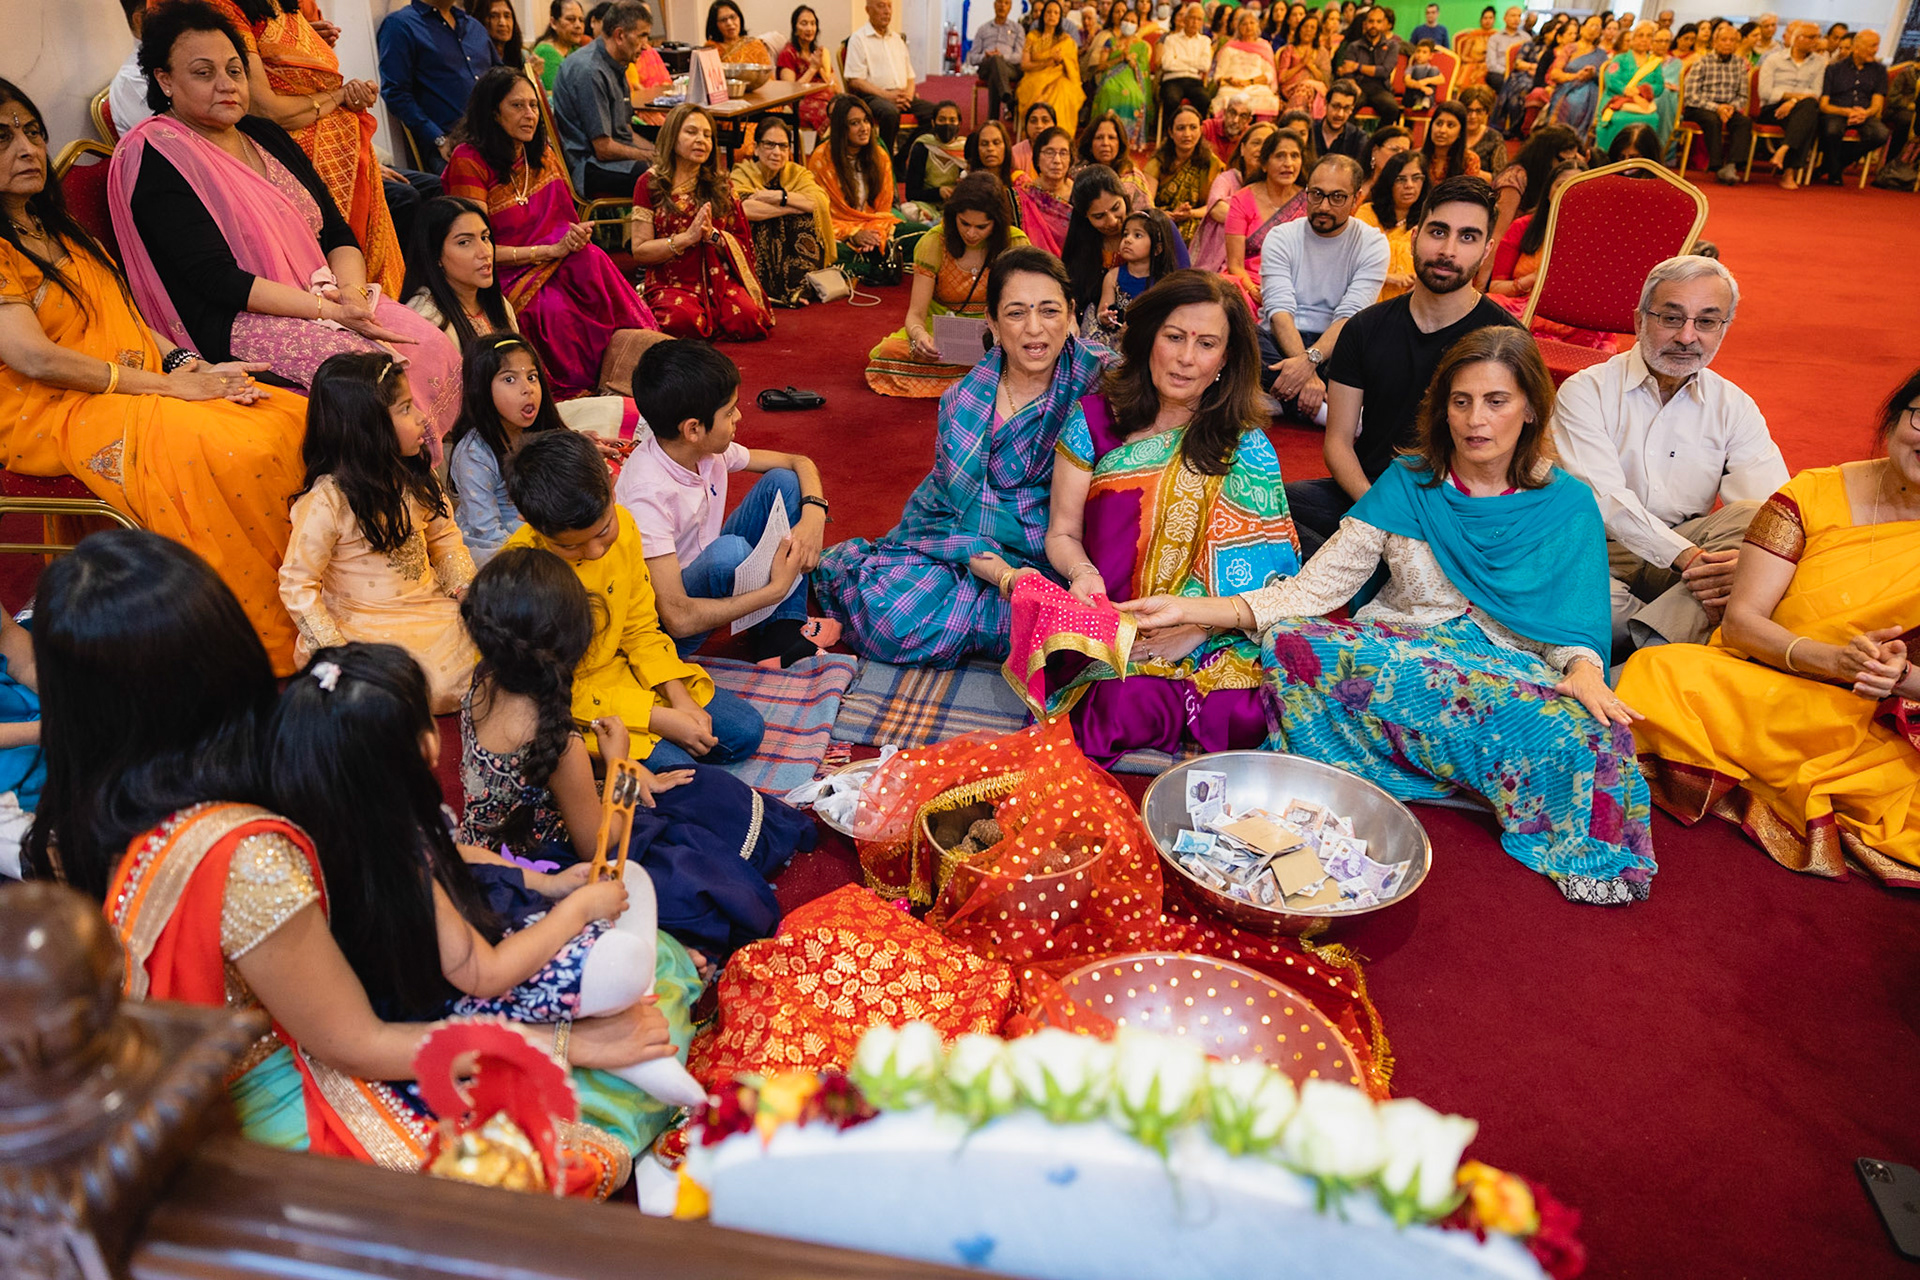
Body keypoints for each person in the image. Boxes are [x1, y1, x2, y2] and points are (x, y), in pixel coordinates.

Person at [30, 529, 671, 1192]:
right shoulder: (247, 853)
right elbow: (355, 1041)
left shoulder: (88, 816)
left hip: (315, 1012)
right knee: (577, 1128)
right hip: (278, 1090)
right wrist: (565, 1046)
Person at [1126, 326, 1656, 903]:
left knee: (1595, 733)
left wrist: (1584, 670)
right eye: (1461, 401)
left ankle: (1443, 757)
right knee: (1292, 642)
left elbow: (1572, 628)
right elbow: (1313, 589)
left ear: (1530, 409)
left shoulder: (1566, 502)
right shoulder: (1410, 481)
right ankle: (1463, 759)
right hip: (1403, 654)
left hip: (1503, 671)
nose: (1475, 420)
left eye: (1496, 401)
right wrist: (1190, 609)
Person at [268, 640, 709, 1111]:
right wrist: (577, 910)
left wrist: (548, 884)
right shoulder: (399, 866)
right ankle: (619, 1022)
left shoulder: (355, 824)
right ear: (424, 745)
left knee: (629, 888)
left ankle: (620, 1005)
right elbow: (487, 975)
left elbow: (456, 853)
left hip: (460, 948)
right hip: (451, 999)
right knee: (623, 959)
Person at [0, 81, 307, 674]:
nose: (28, 148)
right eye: (3, 138)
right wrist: (172, 388)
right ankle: (249, 633)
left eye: (33, 132)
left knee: (285, 414)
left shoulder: (59, 228)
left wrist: (190, 365)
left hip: (134, 382)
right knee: (231, 448)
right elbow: (34, 359)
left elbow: (130, 322)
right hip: (53, 406)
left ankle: (316, 601)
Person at [1619, 371, 1920, 887]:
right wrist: (1831, 659)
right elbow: (1742, 624)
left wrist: (1900, 677)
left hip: (1869, 717)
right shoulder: (1814, 494)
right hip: (1763, 677)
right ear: (1894, 419)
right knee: (1658, 672)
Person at [111, 4, 461, 441]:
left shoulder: (262, 133)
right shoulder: (157, 154)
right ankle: (388, 476)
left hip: (325, 296)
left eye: (235, 70)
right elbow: (216, 279)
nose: (226, 84)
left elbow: (336, 231)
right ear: (165, 80)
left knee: (431, 344)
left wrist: (353, 296)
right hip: (235, 320)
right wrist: (330, 312)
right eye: (203, 73)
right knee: (373, 377)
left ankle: (423, 464)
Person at [458, 550, 813, 960]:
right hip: (543, 865)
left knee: (688, 786)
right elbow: (600, 848)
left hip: (487, 844)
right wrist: (621, 767)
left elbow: (535, 782)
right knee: (695, 833)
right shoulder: (558, 743)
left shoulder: (483, 684)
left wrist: (620, 769)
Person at [1023, 270, 1299, 765]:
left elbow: (1271, 575)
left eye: (1206, 344)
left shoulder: (1245, 443)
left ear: (1226, 358)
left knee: (1249, 713)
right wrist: (1083, 574)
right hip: (1114, 618)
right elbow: (1062, 531)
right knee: (1113, 706)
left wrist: (1196, 627)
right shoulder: (1093, 420)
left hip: (1213, 628)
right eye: (1174, 337)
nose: (1186, 358)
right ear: (1150, 337)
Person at [818, 249, 1108, 666]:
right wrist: (1006, 577)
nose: (1034, 329)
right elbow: (947, 513)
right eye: (1016, 313)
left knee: (1076, 625)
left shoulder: (1100, 378)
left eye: (1049, 311)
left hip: (1063, 546)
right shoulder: (964, 402)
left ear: (1072, 314)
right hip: (963, 544)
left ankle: (1000, 621)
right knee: (893, 624)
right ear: (992, 322)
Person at [1554, 257, 1786, 656]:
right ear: (1639, 320)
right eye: (1671, 318)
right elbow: (1604, 499)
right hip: (1598, 550)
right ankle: (1686, 638)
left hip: (1689, 553)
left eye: (1707, 321)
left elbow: (1775, 507)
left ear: (1724, 328)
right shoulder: (1586, 391)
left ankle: (1650, 650)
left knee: (1759, 521)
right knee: (1592, 610)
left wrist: (1744, 564)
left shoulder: (1734, 406)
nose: (1687, 337)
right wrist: (1691, 560)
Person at [502, 429, 765, 769]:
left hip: (627, 674)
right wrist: (656, 718)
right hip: (567, 702)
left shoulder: (625, 525)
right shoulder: (521, 575)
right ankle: (592, 766)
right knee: (682, 770)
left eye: (603, 531)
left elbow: (640, 628)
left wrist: (679, 697)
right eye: (570, 546)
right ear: (529, 521)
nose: (595, 552)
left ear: (612, 486)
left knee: (746, 732)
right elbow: (547, 690)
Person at [1287, 173, 1517, 556]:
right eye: (1438, 232)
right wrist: (1380, 516)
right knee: (1270, 507)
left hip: (1458, 509)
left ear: (1486, 249)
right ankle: (1372, 561)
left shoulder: (1505, 340)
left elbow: (1506, 462)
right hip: (1369, 494)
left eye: (1467, 237)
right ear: (1414, 236)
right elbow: (1338, 444)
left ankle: (1366, 564)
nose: (1448, 250)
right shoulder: (1365, 328)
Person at [444, 68, 664, 399]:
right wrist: (547, 251)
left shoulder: (539, 152)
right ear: (493, 112)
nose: (530, 115)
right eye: (517, 106)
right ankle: (583, 387)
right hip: (503, 270)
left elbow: (562, 218)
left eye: (534, 105)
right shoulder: (469, 160)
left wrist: (574, 237)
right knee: (552, 310)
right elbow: (476, 247)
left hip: (556, 254)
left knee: (594, 262)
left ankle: (637, 364)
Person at [278, 354, 476, 714]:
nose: (422, 417)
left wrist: (464, 591)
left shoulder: (416, 476)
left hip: (429, 609)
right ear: (367, 427)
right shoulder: (327, 500)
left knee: (495, 645)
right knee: (423, 683)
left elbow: (445, 539)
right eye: (405, 409)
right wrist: (333, 650)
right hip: (363, 625)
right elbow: (297, 583)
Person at [618, 340, 836, 666]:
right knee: (729, 553)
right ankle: (776, 618)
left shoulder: (698, 449)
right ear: (693, 429)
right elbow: (677, 618)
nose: (739, 416)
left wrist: (814, 515)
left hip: (702, 564)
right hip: (669, 625)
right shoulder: (646, 494)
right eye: (729, 411)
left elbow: (797, 462)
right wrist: (774, 590)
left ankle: (782, 634)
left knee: (784, 482)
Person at [203, 0, 401, 300]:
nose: (226, 83)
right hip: (294, 155)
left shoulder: (287, 9)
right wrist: (339, 96)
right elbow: (266, 108)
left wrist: (345, 91)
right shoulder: (225, 9)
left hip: (346, 150)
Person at [867, 172, 1029, 397]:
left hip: (996, 335)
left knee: (1029, 355)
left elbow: (1025, 308)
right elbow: (916, 314)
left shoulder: (1015, 243)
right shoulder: (934, 242)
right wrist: (920, 338)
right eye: (964, 223)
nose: (971, 233)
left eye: (981, 226)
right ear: (954, 217)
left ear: (997, 223)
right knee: (889, 353)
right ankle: (984, 380)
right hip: (941, 335)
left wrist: (1002, 336)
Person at [627, 105, 772, 343]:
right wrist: (686, 239)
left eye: (707, 135)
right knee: (681, 321)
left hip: (719, 278)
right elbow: (640, 250)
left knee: (748, 319)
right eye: (691, 132)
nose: (701, 140)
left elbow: (741, 241)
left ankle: (709, 314)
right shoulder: (650, 183)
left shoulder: (721, 184)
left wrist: (713, 235)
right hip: (672, 281)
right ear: (672, 136)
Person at [1256, 154, 1386, 418]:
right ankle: (1326, 413)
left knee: (1385, 348)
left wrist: (1308, 363)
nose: (1324, 206)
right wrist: (1306, 373)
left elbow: (1350, 316)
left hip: (1337, 347)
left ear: (1356, 199)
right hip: (1280, 342)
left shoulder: (1372, 243)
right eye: (1316, 194)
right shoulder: (1281, 237)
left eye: (1337, 197)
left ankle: (1281, 399)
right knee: (1238, 336)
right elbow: (1279, 313)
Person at [444, 333, 564, 562]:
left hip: (539, 526)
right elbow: (485, 528)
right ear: (482, 389)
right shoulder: (474, 453)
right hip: (495, 543)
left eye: (532, 377)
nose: (527, 389)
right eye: (509, 379)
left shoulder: (536, 431)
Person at [808, 94, 930, 268]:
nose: (864, 128)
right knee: (826, 250)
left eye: (866, 121)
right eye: (855, 123)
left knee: (926, 236)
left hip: (877, 227)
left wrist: (874, 234)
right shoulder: (821, 159)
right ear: (841, 128)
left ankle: (870, 263)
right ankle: (881, 262)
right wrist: (853, 235)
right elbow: (820, 215)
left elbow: (883, 209)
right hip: (839, 233)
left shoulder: (879, 156)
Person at [377, 0, 497, 173]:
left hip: (497, 137)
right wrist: (438, 139)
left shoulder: (474, 26)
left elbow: (501, 79)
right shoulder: (401, 25)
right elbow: (396, 93)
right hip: (450, 145)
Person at [552, 0, 655, 199]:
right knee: (654, 176)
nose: (646, 46)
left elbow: (626, 131)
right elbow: (603, 149)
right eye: (642, 36)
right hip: (587, 165)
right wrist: (652, 157)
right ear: (620, 35)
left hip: (607, 155)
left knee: (676, 155)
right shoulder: (590, 70)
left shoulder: (617, 63)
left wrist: (660, 153)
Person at [728, 117, 830, 307]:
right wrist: (792, 207)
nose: (777, 152)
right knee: (765, 220)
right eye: (769, 145)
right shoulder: (742, 173)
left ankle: (799, 286)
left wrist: (780, 197)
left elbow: (820, 202)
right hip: (760, 259)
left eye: (783, 146)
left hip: (791, 255)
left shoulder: (797, 174)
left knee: (807, 217)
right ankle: (762, 288)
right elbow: (744, 208)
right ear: (756, 148)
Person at [404, 196, 517, 351]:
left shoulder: (496, 302)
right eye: (464, 242)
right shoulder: (426, 320)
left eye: (484, 238)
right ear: (436, 255)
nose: (485, 252)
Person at [1482, 123, 1581, 288]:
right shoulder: (1516, 177)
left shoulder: (1553, 179)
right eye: (1563, 160)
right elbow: (1497, 235)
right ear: (1545, 155)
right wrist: (1480, 288)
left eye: (1574, 159)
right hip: (1503, 258)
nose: (1567, 165)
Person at [1225, 126, 1309, 308]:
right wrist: (1253, 291)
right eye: (1280, 156)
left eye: (1295, 156)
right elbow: (1235, 264)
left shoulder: (1309, 201)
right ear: (1264, 164)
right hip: (1248, 284)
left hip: (1294, 284)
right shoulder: (1242, 199)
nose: (1288, 163)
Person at [845, 0, 938, 159]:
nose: (887, 11)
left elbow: (910, 76)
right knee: (890, 113)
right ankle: (884, 160)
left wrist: (908, 95)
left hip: (901, 96)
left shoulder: (897, 39)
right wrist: (887, 96)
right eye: (881, 6)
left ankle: (901, 158)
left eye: (889, 6)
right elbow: (855, 80)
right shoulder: (858, 39)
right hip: (873, 96)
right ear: (868, 10)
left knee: (935, 113)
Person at [1190, 119, 1276, 271]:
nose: (1261, 149)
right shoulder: (1228, 179)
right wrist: (1256, 223)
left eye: (1267, 145)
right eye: (1256, 143)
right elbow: (1216, 210)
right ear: (1242, 149)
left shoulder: (1277, 187)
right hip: (1222, 265)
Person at [1758, 22, 1828, 189]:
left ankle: (1784, 150)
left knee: (1808, 112)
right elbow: (1765, 92)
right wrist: (1793, 97)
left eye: (1818, 37)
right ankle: (1789, 172)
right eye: (1811, 37)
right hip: (1773, 108)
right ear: (1797, 39)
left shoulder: (1819, 62)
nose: (1816, 41)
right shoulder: (1773, 59)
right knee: (1808, 117)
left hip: (1801, 107)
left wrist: (1794, 101)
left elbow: (1816, 92)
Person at [1816, 29, 1890, 187]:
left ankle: (1831, 166)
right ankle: (1834, 171)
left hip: (1864, 113)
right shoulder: (1834, 69)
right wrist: (1845, 111)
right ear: (1857, 48)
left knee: (1881, 134)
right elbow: (1824, 105)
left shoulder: (1879, 70)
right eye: (1872, 46)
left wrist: (1865, 113)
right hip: (1837, 111)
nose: (1876, 50)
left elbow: (1877, 102)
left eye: (1877, 45)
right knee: (1832, 131)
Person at [1683, 21, 1754, 185]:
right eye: (1724, 40)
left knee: (1744, 122)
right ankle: (1716, 166)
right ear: (1715, 42)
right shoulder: (1702, 62)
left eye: (1732, 40)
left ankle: (1731, 165)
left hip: (1729, 107)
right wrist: (1717, 108)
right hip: (1701, 106)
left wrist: (1730, 108)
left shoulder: (1739, 64)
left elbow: (1743, 96)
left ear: (1737, 44)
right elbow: (1691, 95)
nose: (1728, 43)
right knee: (1712, 119)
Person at [1060, 165, 1132, 324]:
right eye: (1099, 216)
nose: (1112, 221)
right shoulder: (1080, 251)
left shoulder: (1151, 232)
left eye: (1116, 208)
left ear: (1124, 197)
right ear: (1085, 217)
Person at [1095, 206, 1182, 335]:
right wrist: (1104, 318)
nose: (1128, 240)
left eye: (1137, 235)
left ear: (1157, 249)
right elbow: (1103, 311)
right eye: (1126, 234)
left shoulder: (1165, 283)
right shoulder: (1113, 276)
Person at [1353, 146, 1422, 301]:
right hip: (1368, 300)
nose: (1409, 185)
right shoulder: (1368, 213)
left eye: (1416, 178)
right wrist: (1387, 277)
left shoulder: (1429, 220)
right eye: (1401, 179)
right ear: (1389, 182)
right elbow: (1351, 262)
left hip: (1415, 302)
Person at [1145, 104, 1222, 242]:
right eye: (1181, 128)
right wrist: (1165, 215)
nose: (1187, 134)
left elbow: (1214, 206)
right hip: (1162, 221)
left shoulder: (1212, 164)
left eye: (1193, 127)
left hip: (1198, 221)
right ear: (1171, 132)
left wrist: (1191, 213)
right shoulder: (1158, 162)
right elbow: (1146, 203)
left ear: (1201, 130)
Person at [1595, 22, 1671, 156]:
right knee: (1618, 120)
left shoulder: (1654, 62)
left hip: (1642, 105)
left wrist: (1641, 91)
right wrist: (1628, 92)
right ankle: (1609, 158)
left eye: (1649, 36)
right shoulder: (1620, 58)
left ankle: (1641, 161)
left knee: (1653, 119)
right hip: (1616, 102)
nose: (1644, 39)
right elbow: (1611, 80)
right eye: (1640, 35)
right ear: (1633, 38)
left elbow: (1659, 86)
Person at [1018, 1, 1087, 144]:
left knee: (1065, 92)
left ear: (1060, 17)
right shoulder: (1032, 36)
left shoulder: (1066, 40)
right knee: (1038, 95)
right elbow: (1025, 64)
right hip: (1035, 78)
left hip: (1059, 76)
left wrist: (1061, 60)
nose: (1052, 15)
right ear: (1043, 15)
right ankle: (1036, 139)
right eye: (1049, 12)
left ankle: (1061, 140)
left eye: (1056, 13)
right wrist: (1048, 62)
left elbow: (1073, 68)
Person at [1089, 2, 1153, 145]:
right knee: (1108, 90)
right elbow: (1100, 66)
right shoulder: (1110, 42)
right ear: (1121, 22)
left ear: (1137, 27)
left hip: (1132, 79)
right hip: (1111, 78)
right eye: (1126, 20)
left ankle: (1128, 139)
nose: (1129, 24)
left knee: (1136, 96)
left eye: (1132, 22)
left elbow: (1144, 72)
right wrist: (1120, 59)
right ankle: (1105, 136)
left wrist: (1133, 64)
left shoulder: (1141, 46)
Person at [775, 5, 839, 138]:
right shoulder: (788, 54)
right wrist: (812, 69)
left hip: (825, 99)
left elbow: (836, 87)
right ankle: (827, 149)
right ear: (795, 28)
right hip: (801, 102)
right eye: (804, 24)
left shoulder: (819, 53)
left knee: (847, 110)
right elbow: (790, 92)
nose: (809, 28)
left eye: (813, 23)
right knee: (830, 114)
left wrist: (821, 69)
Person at [1334, 4, 1404, 126]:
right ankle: (1350, 136)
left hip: (1380, 88)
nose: (1374, 25)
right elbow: (1347, 73)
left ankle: (1378, 137)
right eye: (1371, 21)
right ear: (1365, 23)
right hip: (1358, 86)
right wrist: (1354, 86)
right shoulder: (1354, 46)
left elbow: (1384, 71)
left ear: (1384, 24)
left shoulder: (1392, 46)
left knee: (1392, 109)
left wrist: (1357, 66)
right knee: (1346, 107)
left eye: (1378, 22)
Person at [1011, 126, 1077, 254]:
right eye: (1049, 152)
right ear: (1037, 158)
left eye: (1063, 153)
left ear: (1071, 159)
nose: (1057, 160)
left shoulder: (1081, 195)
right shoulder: (1023, 197)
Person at [1543, 14, 1608, 140]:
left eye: (1598, 27)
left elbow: (1606, 77)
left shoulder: (1601, 54)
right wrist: (1576, 76)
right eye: (1592, 25)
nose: (1594, 29)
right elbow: (1554, 74)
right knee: (1574, 102)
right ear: (1582, 29)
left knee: (1583, 100)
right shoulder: (1570, 48)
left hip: (1593, 91)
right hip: (1568, 88)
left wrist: (1593, 73)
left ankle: (1579, 142)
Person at [1078, 111, 1157, 209]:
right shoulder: (1080, 176)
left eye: (1111, 138)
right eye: (1099, 137)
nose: (1105, 143)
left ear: (1120, 144)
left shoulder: (1133, 178)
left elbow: (1148, 214)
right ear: (1090, 144)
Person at [1213, 10, 1283, 118]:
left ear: (1257, 26)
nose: (1248, 27)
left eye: (1252, 23)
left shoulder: (1264, 46)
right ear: (1238, 27)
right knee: (1225, 97)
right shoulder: (1229, 48)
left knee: (1266, 97)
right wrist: (1229, 80)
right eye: (1244, 24)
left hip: (1257, 87)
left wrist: (1249, 82)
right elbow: (1218, 76)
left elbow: (1269, 75)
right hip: (1232, 87)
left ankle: (1262, 128)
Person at [1156, 2, 1215, 123]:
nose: (1195, 22)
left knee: (1204, 99)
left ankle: (1197, 129)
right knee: (1171, 99)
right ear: (1185, 19)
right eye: (1192, 18)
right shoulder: (1171, 39)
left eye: (1199, 19)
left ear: (1202, 22)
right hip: (1172, 80)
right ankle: (1172, 130)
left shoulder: (1205, 41)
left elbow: (1205, 65)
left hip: (1194, 81)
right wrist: (1194, 63)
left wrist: (1179, 59)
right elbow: (1166, 64)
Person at [904, 101, 969, 208]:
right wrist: (938, 193)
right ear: (933, 123)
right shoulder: (923, 147)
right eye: (942, 120)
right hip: (927, 205)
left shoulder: (965, 148)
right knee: (908, 209)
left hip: (957, 205)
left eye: (952, 120)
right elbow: (911, 194)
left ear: (959, 124)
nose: (947, 124)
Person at [971, 0, 1027, 123]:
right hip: (986, 66)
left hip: (1009, 68)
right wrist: (985, 56)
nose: (1002, 6)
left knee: (995, 70)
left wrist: (1001, 57)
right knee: (994, 62)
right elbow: (973, 58)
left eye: (1006, 3)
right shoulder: (983, 29)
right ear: (994, 5)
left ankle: (993, 119)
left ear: (1010, 7)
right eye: (1000, 2)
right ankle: (1007, 97)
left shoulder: (1018, 29)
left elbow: (1019, 57)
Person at [1275, 12, 1329, 113]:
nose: (1308, 30)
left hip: (1315, 90)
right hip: (1291, 89)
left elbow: (1325, 79)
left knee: (1306, 88)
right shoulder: (1290, 49)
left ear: (1316, 33)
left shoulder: (1322, 52)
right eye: (1305, 26)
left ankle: (1292, 116)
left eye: (1312, 28)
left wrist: (1310, 65)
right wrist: (1301, 64)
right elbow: (1282, 78)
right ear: (1299, 29)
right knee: (1303, 89)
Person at [532, 0, 590, 93]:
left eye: (581, 20)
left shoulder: (575, 49)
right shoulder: (545, 52)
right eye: (571, 19)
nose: (578, 25)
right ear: (554, 23)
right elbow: (556, 95)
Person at [1420, 100, 1484, 182]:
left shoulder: (1469, 160)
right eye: (1439, 123)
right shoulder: (1417, 158)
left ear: (1460, 132)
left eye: (1450, 125)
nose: (1442, 130)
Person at [1315, 78, 1370, 160]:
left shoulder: (1358, 138)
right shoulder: (1310, 131)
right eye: (1336, 106)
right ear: (1326, 104)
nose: (1340, 114)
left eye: (1346, 108)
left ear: (1351, 110)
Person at [471, 0, 531, 72]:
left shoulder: (522, 56)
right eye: (494, 16)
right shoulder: (474, 58)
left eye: (507, 16)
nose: (503, 23)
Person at [1458, 84, 1505, 173]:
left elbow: (1501, 176)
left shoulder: (1494, 138)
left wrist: (1474, 171)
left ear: (1487, 112)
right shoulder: (1453, 134)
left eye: (1479, 111)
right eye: (1468, 110)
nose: (1473, 116)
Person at [704, 0, 770, 63]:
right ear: (715, 24)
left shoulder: (755, 45)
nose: (729, 23)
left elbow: (767, 70)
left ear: (740, 18)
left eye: (732, 17)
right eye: (723, 20)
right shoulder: (710, 49)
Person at [967, 117, 1020, 191]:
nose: (990, 148)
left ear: (1006, 146)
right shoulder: (968, 183)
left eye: (996, 143)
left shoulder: (1020, 181)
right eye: (984, 144)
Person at [1010, 100, 1058, 179]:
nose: (1039, 126)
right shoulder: (1015, 154)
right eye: (1033, 121)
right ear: (1026, 125)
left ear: (1054, 126)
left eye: (1045, 121)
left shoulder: (1062, 152)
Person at [1485, 6, 1525, 90]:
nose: (1516, 19)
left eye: (1519, 16)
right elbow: (1491, 64)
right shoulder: (1495, 38)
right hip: (1500, 73)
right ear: (1505, 18)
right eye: (1513, 16)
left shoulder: (1526, 38)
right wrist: (1507, 72)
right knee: (1497, 79)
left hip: (1521, 73)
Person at [1402, 39, 1445, 110]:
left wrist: (1426, 81)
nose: (1420, 55)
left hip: (1428, 97)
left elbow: (1441, 79)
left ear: (1430, 55)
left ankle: (1426, 99)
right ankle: (1419, 100)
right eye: (1418, 51)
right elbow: (1407, 81)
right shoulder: (1411, 68)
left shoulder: (1431, 69)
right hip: (1412, 98)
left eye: (1424, 52)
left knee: (1434, 69)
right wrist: (1421, 87)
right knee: (1419, 69)